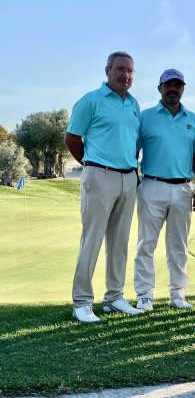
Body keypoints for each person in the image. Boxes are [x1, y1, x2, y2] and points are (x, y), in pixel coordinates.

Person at [64, 51, 142, 323]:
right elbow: (72, 138)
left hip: (128, 177)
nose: (125, 75)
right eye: (120, 69)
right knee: (92, 239)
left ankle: (114, 298)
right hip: (99, 175)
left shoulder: (134, 104)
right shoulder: (91, 100)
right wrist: (91, 164)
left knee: (119, 242)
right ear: (107, 70)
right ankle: (81, 302)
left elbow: (131, 141)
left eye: (130, 71)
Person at [134, 69, 195, 311]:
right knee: (146, 243)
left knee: (178, 245)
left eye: (177, 85)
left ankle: (178, 293)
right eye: (168, 84)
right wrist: (135, 182)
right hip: (152, 185)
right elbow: (133, 152)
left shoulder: (193, 119)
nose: (173, 89)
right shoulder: (145, 117)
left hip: (183, 188)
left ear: (183, 88)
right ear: (159, 88)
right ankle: (144, 294)